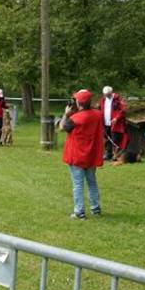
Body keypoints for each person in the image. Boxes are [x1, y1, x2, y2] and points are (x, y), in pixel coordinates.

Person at [60, 89, 104, 220]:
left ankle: (79, 212)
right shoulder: (97, 115)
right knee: (92, 182)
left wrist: (66, 114)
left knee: (78, 184)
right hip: (91, 155)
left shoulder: (75, 118)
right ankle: (95, 208)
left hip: (77, 156)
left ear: (78, 102)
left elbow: (62, 127)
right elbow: (90, 115)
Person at [98, 86, 126, 160]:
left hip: (115, 124)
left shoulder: (118, 100)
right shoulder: (102, 100)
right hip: (105, 123)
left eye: (108, 94)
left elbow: (122, 111)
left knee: (115, 140)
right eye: (105, 94)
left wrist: (116, 118)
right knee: (107, 138)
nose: (106, 96)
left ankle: (115, 155)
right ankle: (108, 154)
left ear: (111, 92)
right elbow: (100, 110)